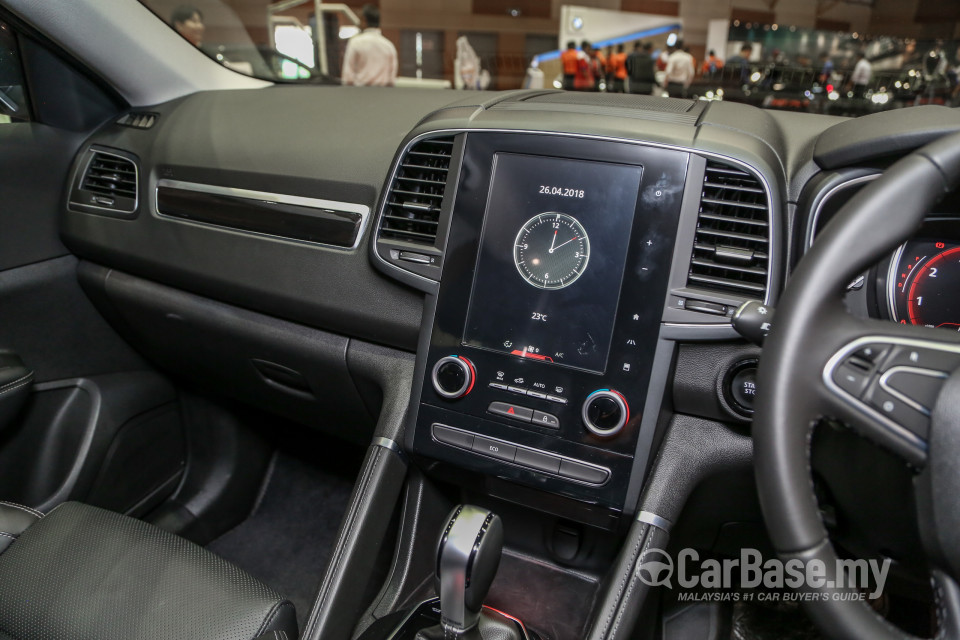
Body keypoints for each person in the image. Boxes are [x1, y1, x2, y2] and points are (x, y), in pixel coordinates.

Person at [341, 4, 398, 87]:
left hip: (359, 95)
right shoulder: (389, 46)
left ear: (364, 20)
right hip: (383, 95)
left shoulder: (355, 43)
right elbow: (392, 80)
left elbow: (348, 77)